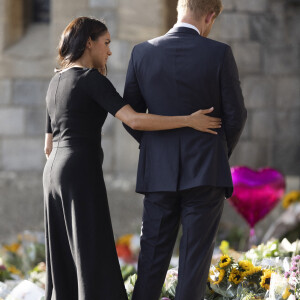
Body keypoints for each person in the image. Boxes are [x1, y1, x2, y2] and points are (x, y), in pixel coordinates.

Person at [43, 16, 222, 300]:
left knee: (64, 251)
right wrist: (188, 120)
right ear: (89, 42)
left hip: (52, 174)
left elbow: (48, 145)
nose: (109, 52)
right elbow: (135, 120)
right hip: (79, 170)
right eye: (106, 43)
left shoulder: (56, 81)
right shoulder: (90, 80)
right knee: (91, 246)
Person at [123, 0, 247, 299]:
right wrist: (216, 151)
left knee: (151, 259)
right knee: (194, 262)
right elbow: (236, 115)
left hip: (158, 174)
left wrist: (156, 148)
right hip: (206, 172)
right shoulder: (219, 53)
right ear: (210, 16)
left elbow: (131, 117)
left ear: (180, 9)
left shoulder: (142, 52)